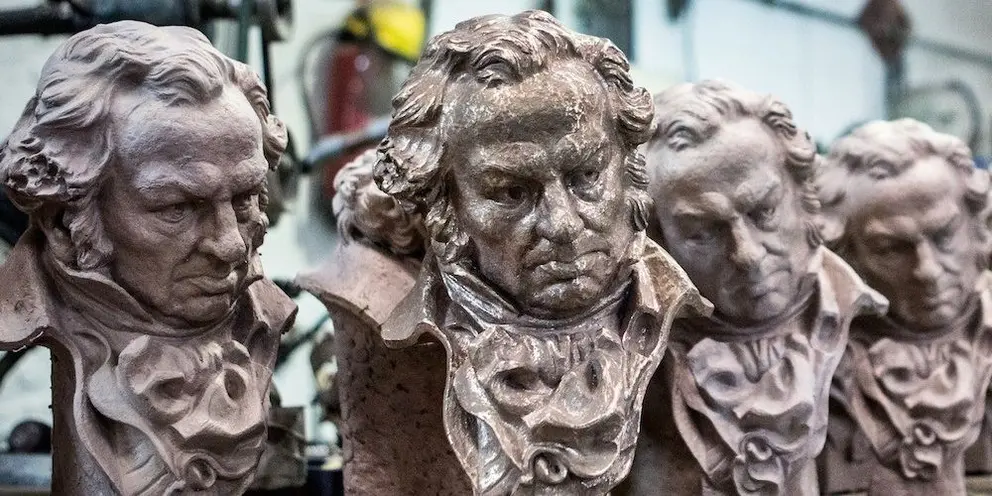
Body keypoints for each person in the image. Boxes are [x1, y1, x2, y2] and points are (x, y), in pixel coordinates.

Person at [371, 10, 709, 495]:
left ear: (627, 163)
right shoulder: (399, 347)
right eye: (511, 193)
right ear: (446, 202)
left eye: (587, 176)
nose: (564, 225)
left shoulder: (693, 328)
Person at [0, 22, 295, 495]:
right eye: (177, 208)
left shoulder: (261, 308)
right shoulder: (24, 308)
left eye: (244, 199)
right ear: (63, 216)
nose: (231, 246)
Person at [623, 80, 885, 495]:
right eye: (701, 232)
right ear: (657, 238)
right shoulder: (631, 352)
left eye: (763, 210)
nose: (747, 254)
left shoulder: (855, 319)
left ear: (803, 192)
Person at [816, 118, 992, 495]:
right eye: (890, 248)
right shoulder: (817, 361)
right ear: (848, 256)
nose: (927, 271)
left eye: (944, 235)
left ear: (977, 226)